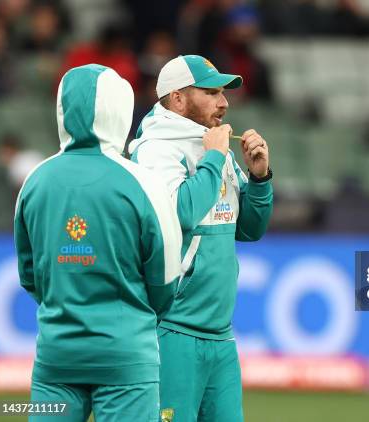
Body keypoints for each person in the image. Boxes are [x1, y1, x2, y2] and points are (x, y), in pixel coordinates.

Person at [13, 64, 182, 421]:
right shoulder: (142, 182)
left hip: (57, 355)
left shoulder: (35, 181)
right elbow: (166, 277)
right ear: (120, 109)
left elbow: (30, 274)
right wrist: (135, 312)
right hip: (126, 356)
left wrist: (65, 303)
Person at [128, 54, 274, 422]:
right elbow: (179, 215)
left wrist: (259, 178)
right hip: (172, 331)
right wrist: (213, 159)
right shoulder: (155, 149)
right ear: (177, 98)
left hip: (221, 336)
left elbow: (250, 230)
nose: (224, 103)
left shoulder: (214, 148)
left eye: (223, 93)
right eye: (210, 92)